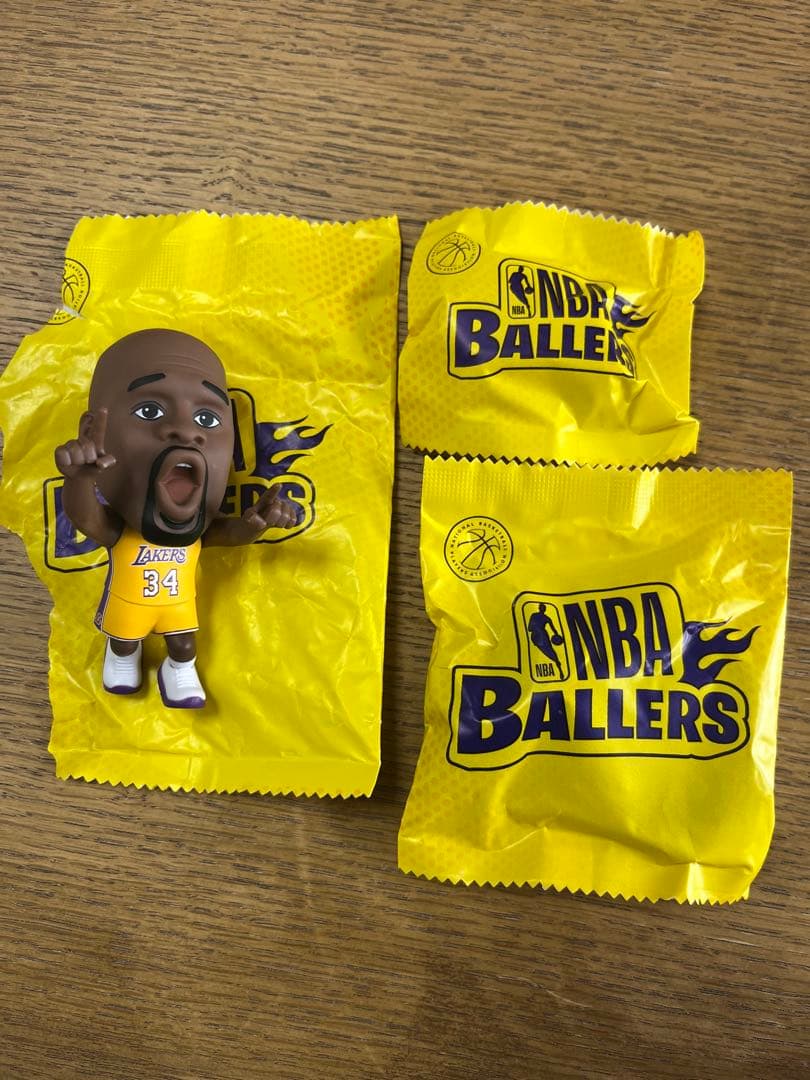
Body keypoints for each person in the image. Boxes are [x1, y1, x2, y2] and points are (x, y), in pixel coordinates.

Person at [54, 328, 297, 708]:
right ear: (92, 433)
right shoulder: (122, 532)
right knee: (124, 639)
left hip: (177, 606)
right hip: (130, 605)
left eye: (207, 418)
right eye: (149, 411)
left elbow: (227, 533)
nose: (186, 431)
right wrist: (79, 480)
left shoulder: (198, 531)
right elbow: (87, 519)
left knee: (184, 645)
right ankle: (122, 658)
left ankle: (179, 670)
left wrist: (254, 524)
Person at [527, 603, 564, 679]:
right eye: (542, 607)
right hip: (538, 636)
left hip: (541, 636)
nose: (542, 609)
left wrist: (557, 636)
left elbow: (553, 629)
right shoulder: (536, 616)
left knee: (551, 652)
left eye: (543, 608)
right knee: (549, 652)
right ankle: (559, 667)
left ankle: (560, 670)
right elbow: (529, 628)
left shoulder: (546, 618)